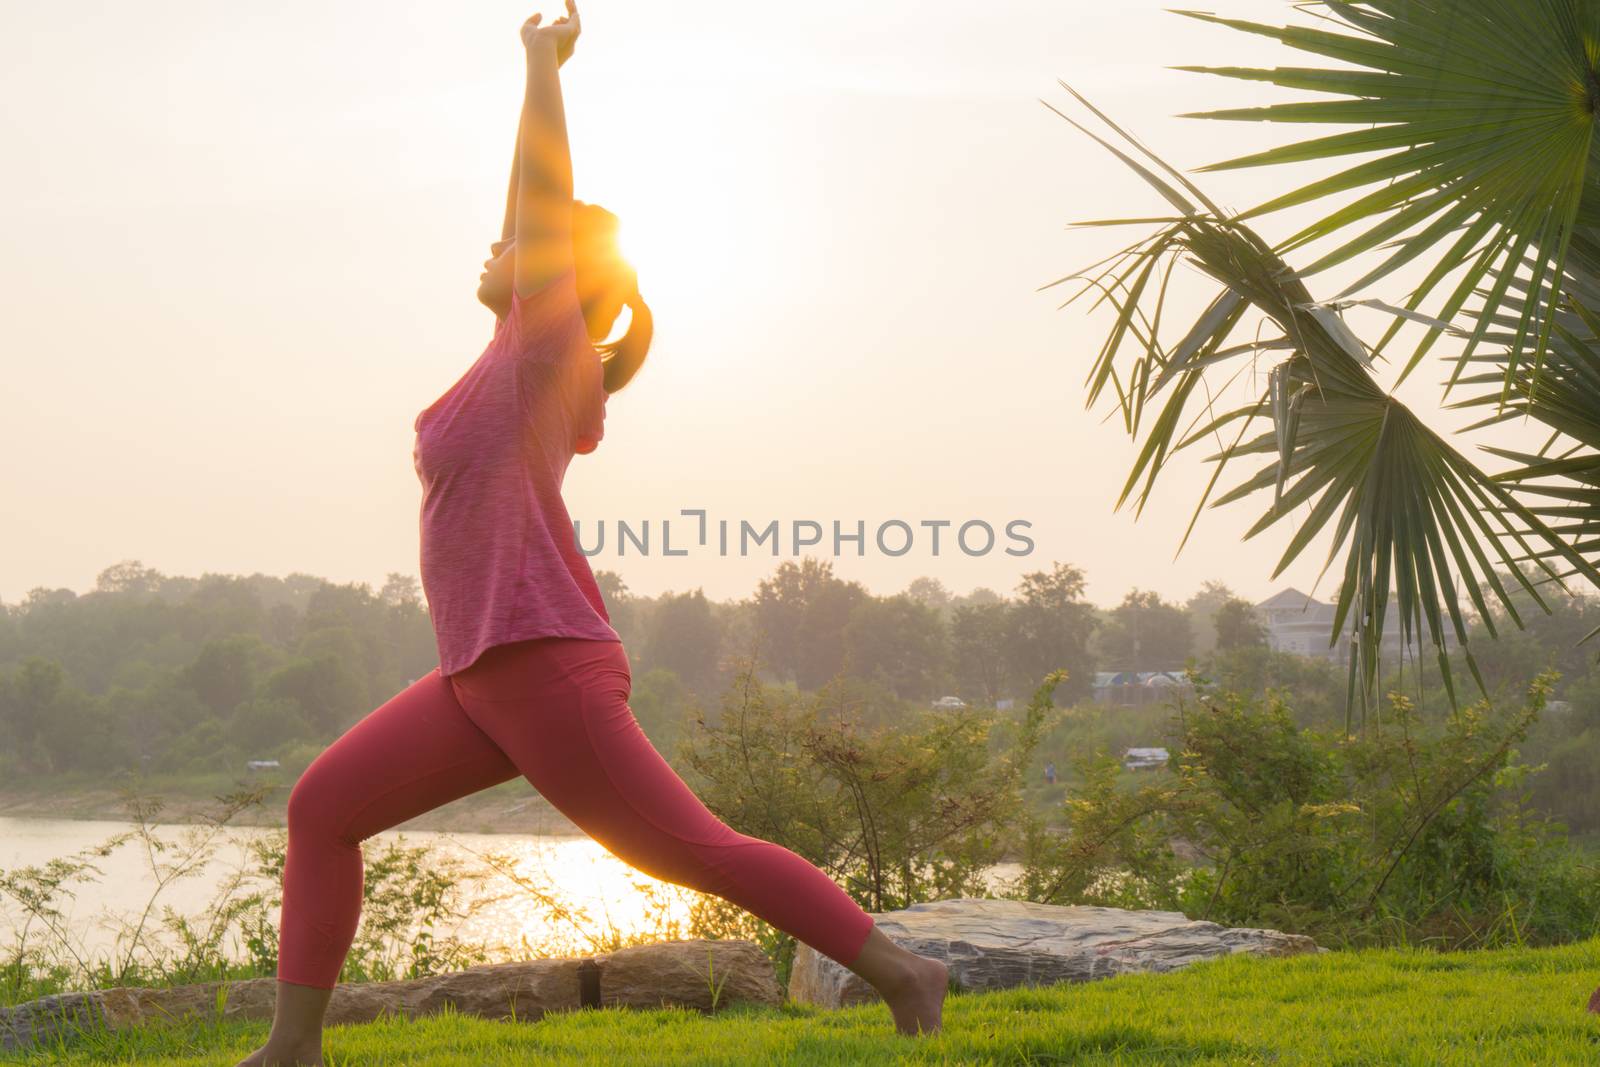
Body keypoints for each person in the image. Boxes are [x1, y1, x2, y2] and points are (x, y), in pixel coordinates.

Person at [236, 6, 948, 1064]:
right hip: (476, 672)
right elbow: (525, 214)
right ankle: (294, 1048)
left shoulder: (549, 343)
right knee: (321, 808)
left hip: (544, 665)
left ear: (557, 263)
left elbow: (538, 190)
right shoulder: (506, 352)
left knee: (690, 850)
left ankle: (902, 972)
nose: (497, 241)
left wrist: (537, 66)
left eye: (519, 241)